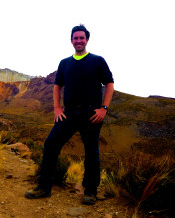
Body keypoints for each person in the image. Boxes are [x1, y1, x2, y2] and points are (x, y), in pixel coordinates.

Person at [25, 24, 114, 205]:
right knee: (51, 144)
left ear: (87, 40)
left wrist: (103, 109)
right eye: (75, 38)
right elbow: (57, 86)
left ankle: (90, 191)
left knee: (91, 151)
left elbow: (110, 84)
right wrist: (57, 108)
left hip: (91, 112)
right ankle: (44, 187)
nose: (78, 41)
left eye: (82, 38)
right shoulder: (65, 63)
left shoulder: (97, 61)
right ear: (71, 40)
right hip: (69, 112)